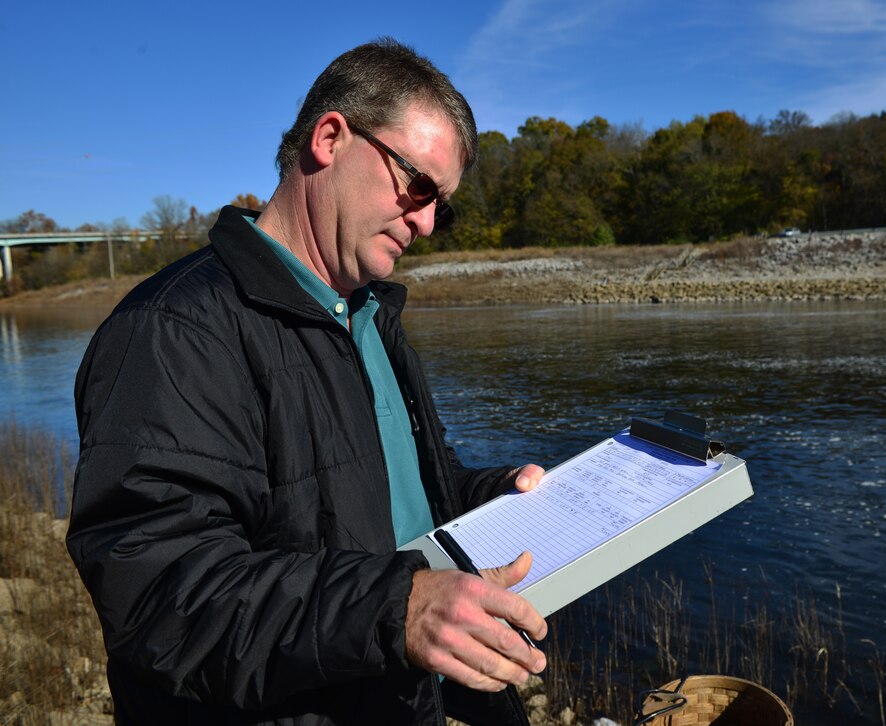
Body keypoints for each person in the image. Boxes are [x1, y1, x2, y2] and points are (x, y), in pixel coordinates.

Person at [67, 38, 548, 725]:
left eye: (443, 206)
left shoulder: (371, 315)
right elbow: (160, 594)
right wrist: (398, 606)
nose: (427, 222)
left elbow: (400, 496)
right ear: (329, 138)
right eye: (418, 187)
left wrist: (502, 498)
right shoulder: (173, 329)